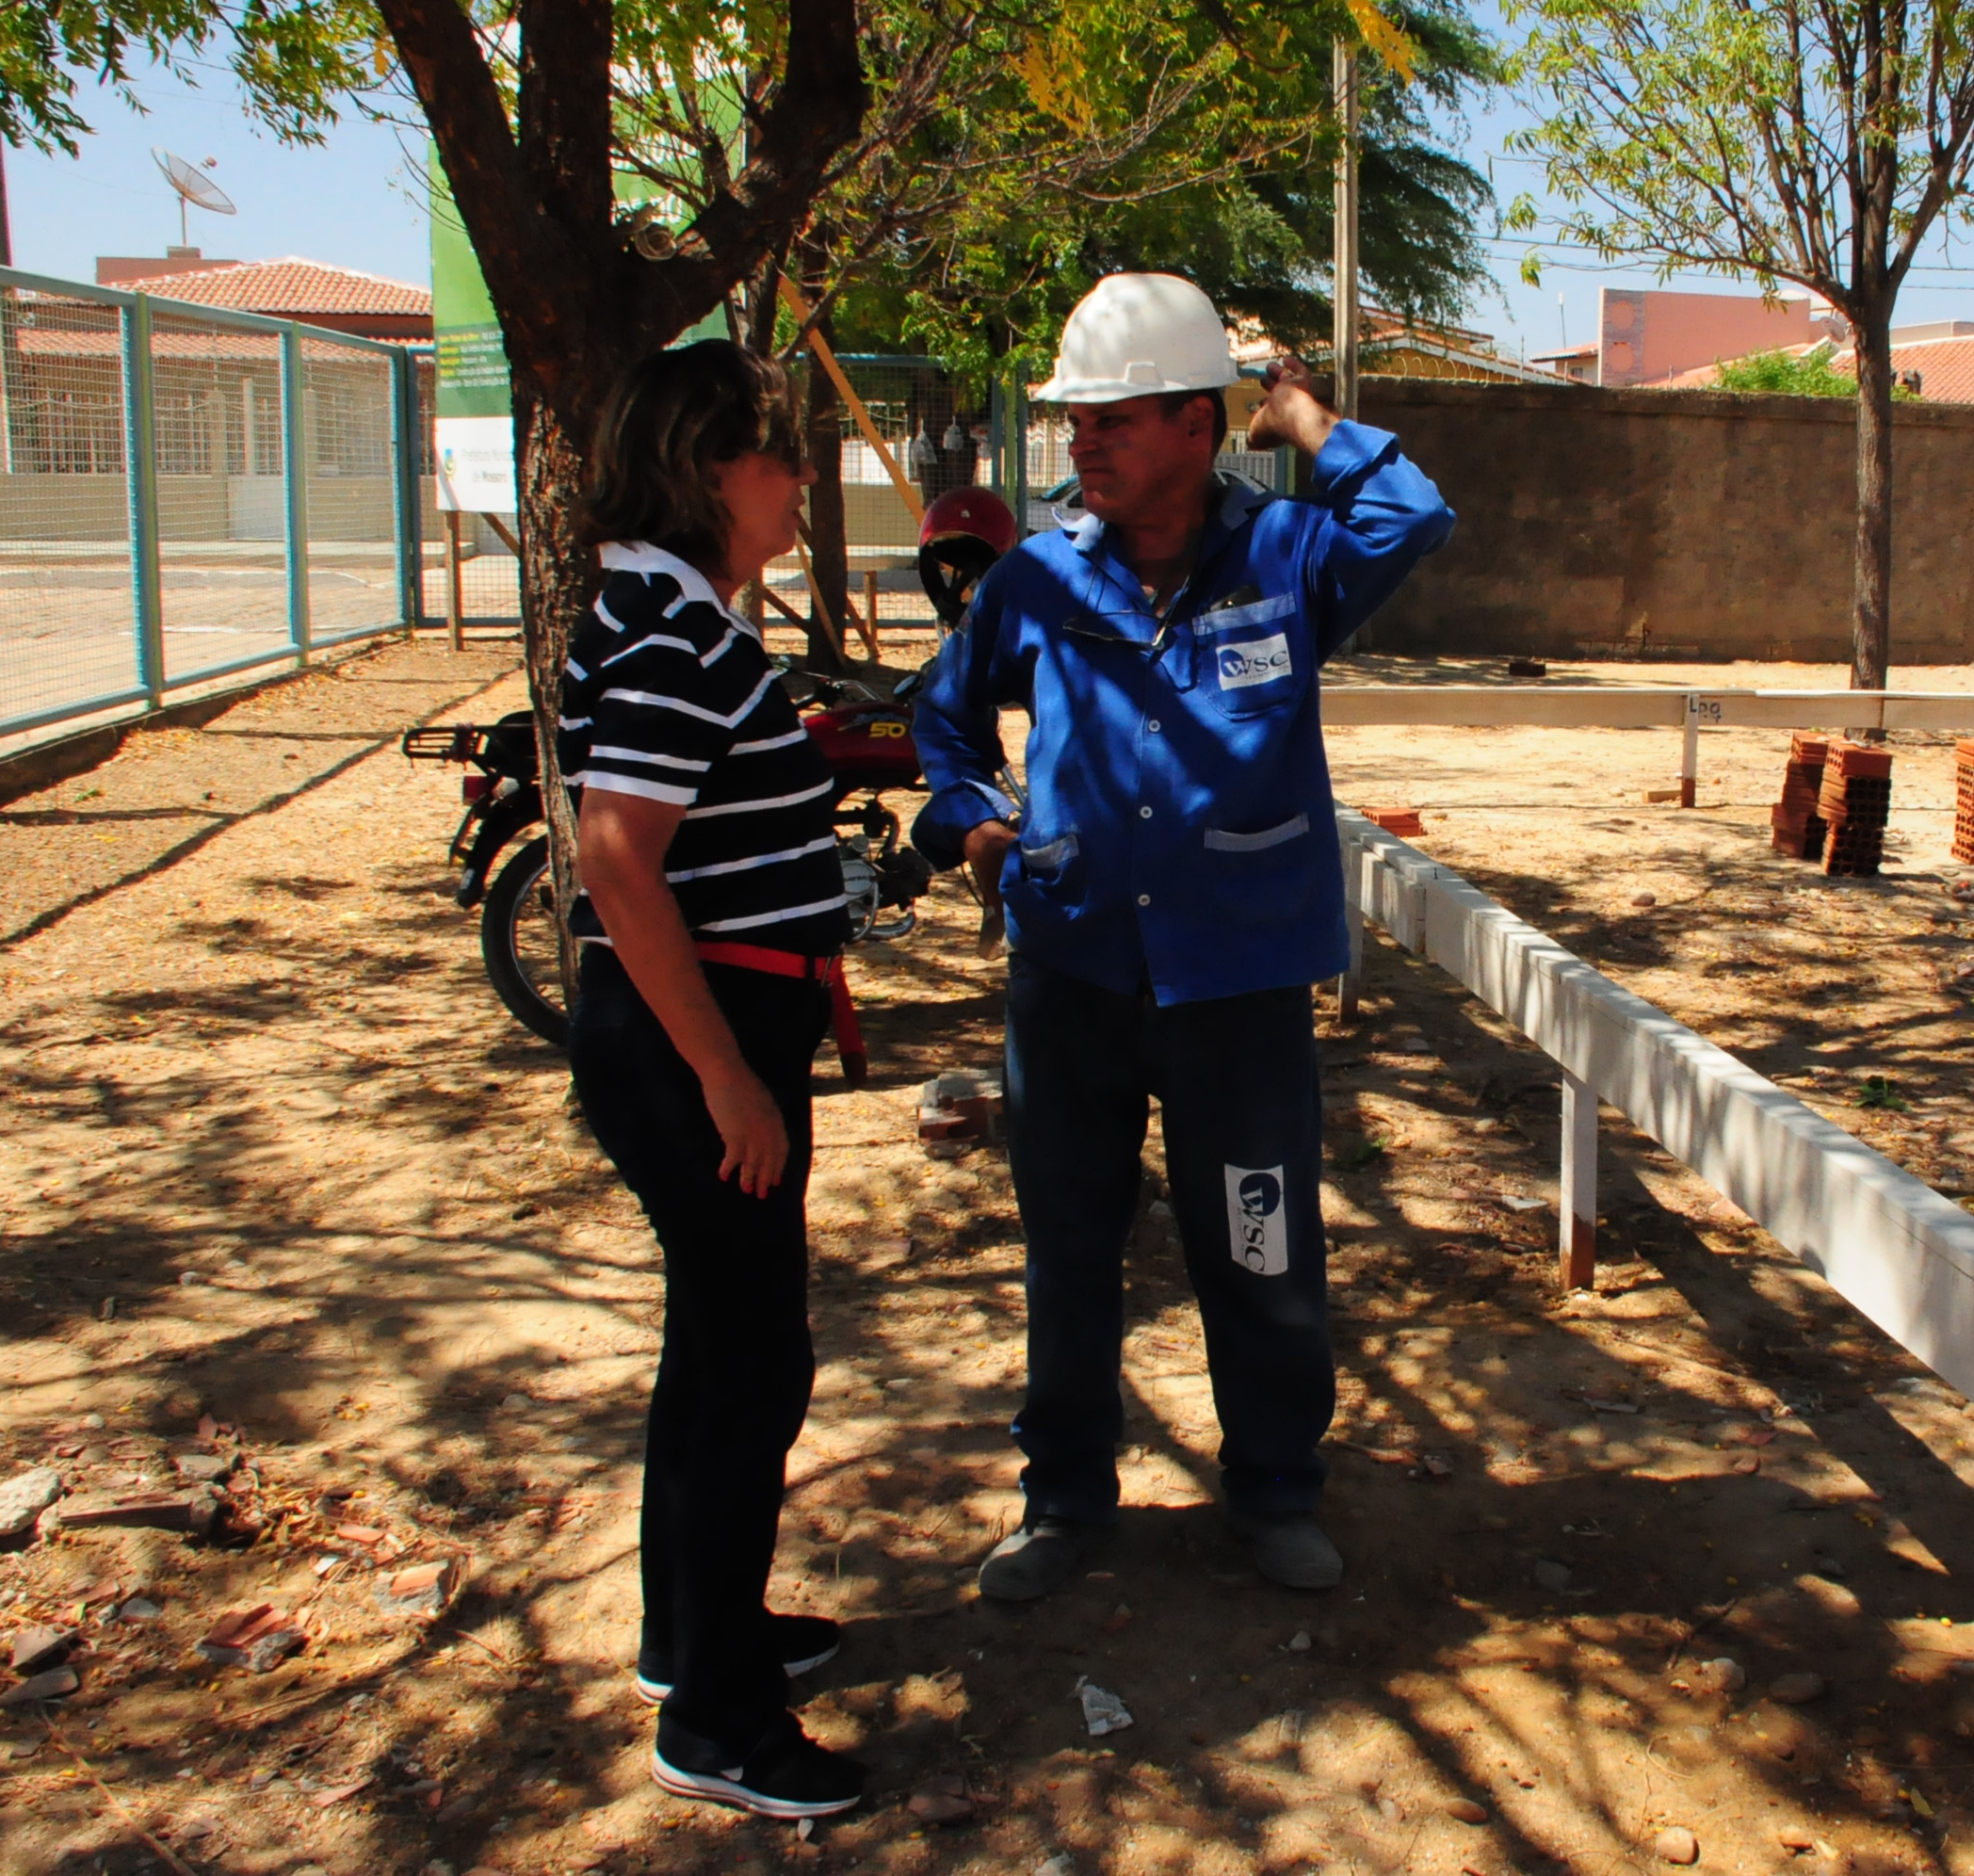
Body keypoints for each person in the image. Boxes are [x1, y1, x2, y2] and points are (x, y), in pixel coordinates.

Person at [912, 273, 1455, 1601]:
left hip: (1241, 986)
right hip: (1075, 974)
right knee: (1070, 1242)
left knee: (1259, 1239)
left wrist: (1306, 416)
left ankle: (1274, 1489)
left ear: (1199, 425)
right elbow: (941, 722)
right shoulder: (1036, 582)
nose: (1083, 443)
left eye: (1114, 419)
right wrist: (973, 827)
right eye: (1077, 421)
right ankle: (1063, 1501)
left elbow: (1412, 515)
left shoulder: (1286, 559)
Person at [559, 340, 866, 1819]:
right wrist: (728, 1081)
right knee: (754, 1367)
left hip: (726, 1027)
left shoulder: (669, 611)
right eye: (780, 453)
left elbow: (718, 841)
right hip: (699, 1048)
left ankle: (695, 1638)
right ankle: (721, 1726)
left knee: (721, 1346)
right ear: (710, 469)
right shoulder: (668, 629)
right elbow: (618, 859)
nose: (800, 476)